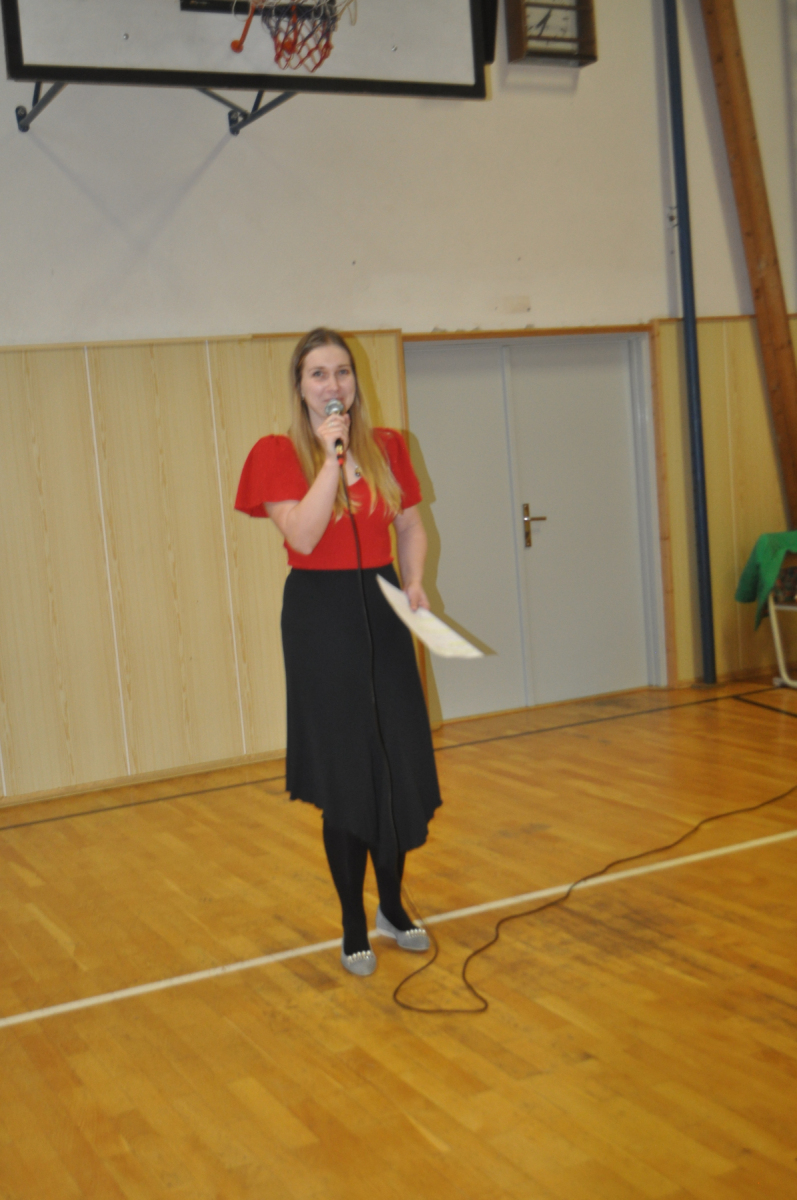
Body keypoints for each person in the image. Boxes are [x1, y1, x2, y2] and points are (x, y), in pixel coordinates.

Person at [235, 328, 441, 977]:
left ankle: (392, 909)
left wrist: (413, 581)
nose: (333, 385)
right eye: (318, 374)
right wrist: (330, 459)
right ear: (300, 387)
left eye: (342, 372)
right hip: (320, 617)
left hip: (383, 606)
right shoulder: (277, 453)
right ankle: (353, 923)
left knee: (393, 762)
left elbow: (410, 523)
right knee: (348, 773)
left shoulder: (388, 447)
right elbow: (302, 533)